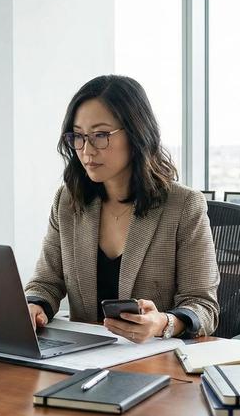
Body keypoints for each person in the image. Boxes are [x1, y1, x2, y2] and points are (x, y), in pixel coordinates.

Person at [25, 75, 220, 342]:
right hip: (81, 357)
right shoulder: (69, 202)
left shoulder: (184, 206)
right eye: (78, 136)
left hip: (154, 360)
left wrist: (162, 322)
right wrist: (34, 306)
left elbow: (203, 306)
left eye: (100, 135)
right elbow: (45, 284)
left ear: (136, 133)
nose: (86, 150)